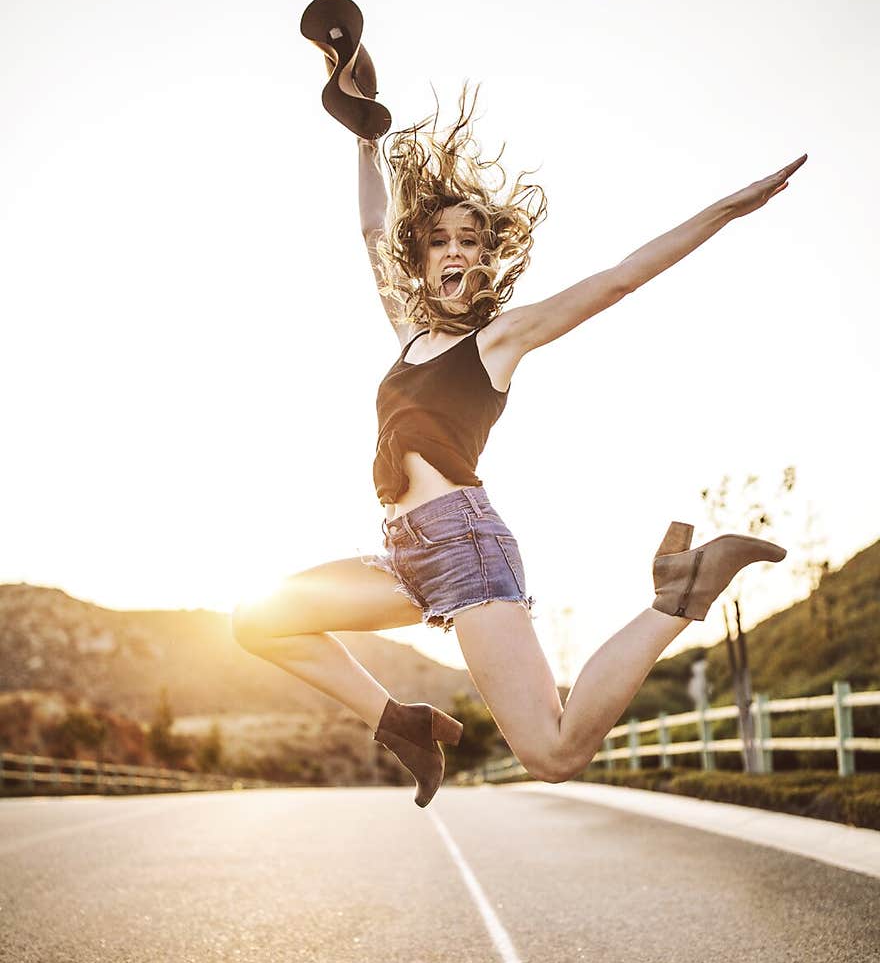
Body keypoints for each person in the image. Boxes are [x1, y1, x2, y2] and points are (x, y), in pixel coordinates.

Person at [232, 77, 806, 809]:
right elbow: (373, 230)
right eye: (438, 239)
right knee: (256, 620)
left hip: (465, 547)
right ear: (423, 255)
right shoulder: (409, 337)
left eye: (468, 241)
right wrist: (364, 140)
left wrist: (726, 209)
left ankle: (676, 595)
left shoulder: (497, 342)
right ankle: (403, 724)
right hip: (406, 554)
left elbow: (619, 280)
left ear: (487, 261)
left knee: (554, 752)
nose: (452, 251)